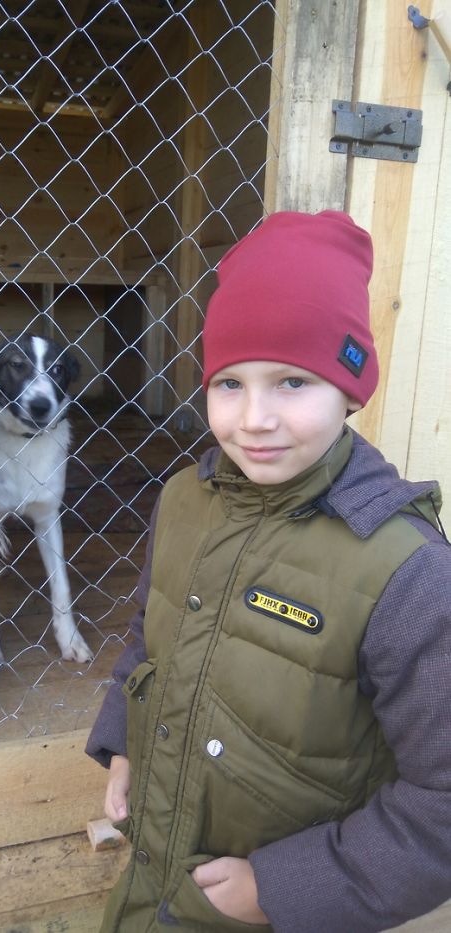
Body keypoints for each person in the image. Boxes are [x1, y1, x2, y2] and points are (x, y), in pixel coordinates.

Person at [86, 210, 451, 933]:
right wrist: (124, 738)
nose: (254, 418)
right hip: (155, 880)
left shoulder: (409, 576)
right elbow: (150, 633)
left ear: (350, 389)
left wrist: (277, 889)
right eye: (229, 382)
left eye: (291, 381)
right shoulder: (184, 499)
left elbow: (442, 802)